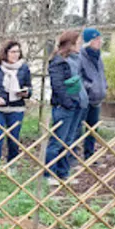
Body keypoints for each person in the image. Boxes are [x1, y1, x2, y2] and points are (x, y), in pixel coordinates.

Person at [0, 40, 32, 178]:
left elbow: (29, 86)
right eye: (13, 52)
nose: (16, 55)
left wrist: (26, 93)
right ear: (6, 53)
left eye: (18, 51)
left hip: (16, 109)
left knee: (14, 141)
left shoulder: (24, 68)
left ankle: (12, 168)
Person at [44, 31, 89, 185]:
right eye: (79, 42)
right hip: (65, 107)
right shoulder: (58, 62)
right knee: (58, 141)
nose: (81, 45)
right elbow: (58, 86)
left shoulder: (76, 60)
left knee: (69, 142)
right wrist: (68, 103)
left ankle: (63, 173)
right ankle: (49, 174)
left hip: (77, 105)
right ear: (70, 44)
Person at [77, 28, 108, 162]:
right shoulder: (80, 57)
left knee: (93, 129)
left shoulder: (98, 56)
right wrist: (90, 88)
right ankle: (72, 157)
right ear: (89, 42)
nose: (100, 42)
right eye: (96, 39)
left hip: (96, 100)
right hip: (85, 99)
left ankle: (89, 156)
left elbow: (101, 74)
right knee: (77, 129)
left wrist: (103, 86)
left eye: (100, 39)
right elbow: (78, 78)